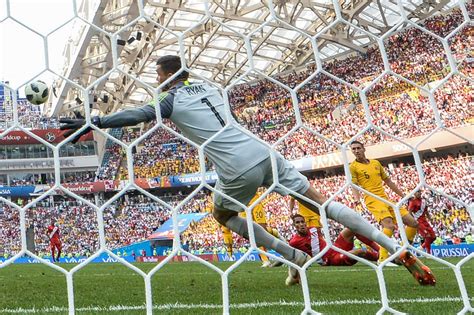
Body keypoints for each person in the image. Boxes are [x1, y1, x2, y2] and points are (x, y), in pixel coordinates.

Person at [60, 55, 435, 286]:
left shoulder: (169, 97)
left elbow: (138, 115)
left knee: (222, 214)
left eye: (159, 76)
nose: (157, 81)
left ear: (167, 75)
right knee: (320, 203)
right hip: (264, 151)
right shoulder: (212, 87)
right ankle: (395, 248)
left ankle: (292, 256)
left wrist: (95, 121)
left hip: (236, 166)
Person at [349, 141, 419, 266]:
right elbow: (353, 185)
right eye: (353, 149)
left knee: (413, 223)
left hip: (385, 199)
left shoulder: (376, 163)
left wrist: (403, 195)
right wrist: (356, 199)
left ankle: (402, 252)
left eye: (358, 148)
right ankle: (382, 259)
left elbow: (388, 181)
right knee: (389, 226)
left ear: (364, 148)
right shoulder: (353, 167)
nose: (356, 151)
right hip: (372, 199)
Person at [286, 214, 379, 285]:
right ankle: (379, 258)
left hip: (335, 247)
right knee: (360, 251)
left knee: (352, 228)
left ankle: (381, 251)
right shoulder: (294, 242)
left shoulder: (313, 229)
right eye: (297, 223)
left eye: (302, 221)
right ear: (294, 225)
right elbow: (295, 259)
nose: (301, 224)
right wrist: (296, 276)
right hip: (330, 259)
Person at [221, 191, 286, 267]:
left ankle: (276, 234)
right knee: (251, 233)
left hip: (254, 201)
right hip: (243, 205)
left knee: (262, 230)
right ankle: (265, 260)